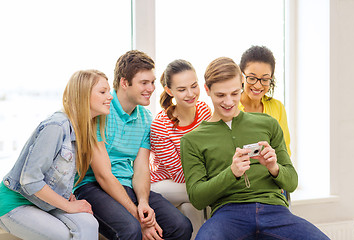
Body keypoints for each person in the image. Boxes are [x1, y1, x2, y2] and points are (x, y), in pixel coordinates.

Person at [180, 57, 330, 240]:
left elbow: (291, 182)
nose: (228, 102)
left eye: (235, 93)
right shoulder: (192, 140)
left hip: (275, 211)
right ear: (207, 90)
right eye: (221, 95)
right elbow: (197, 198)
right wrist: (232, 173)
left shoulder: (268, 124)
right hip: (228, 215)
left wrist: (274, 168)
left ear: (242, 85)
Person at [74, 50, 192, 240]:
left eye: (152, 82)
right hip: (92, 187)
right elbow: (103, 175)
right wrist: (136, 214)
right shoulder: (100, 108)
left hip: (127, 184)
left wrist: (143, 203)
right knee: (131, 229)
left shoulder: (145, 119)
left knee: (180, 226)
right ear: (124, 82)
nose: (151, 88)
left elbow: (141, 168)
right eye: (144, 83)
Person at [0, 69, 113, 240]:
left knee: (90, 223)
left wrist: (67, 196)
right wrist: (69, 207)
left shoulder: (81, 130)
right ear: (83, 95)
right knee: (63, 236)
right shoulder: (56, 126)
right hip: (15, 204)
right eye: (103, 92)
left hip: (43, 203)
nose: (110, 96)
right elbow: (30, 180)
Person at [150, 59, 211, 238]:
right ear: (169, 91)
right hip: (164, 184)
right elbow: (179, 174)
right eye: (182, 89)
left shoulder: (204, 110)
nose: (191, 94)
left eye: (194, 86)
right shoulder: (161, 125)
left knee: (191, 208)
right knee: (209, 192)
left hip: (194, 181)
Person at [239, 45, 291, 155]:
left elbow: (284, 151)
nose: (258, 85)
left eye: (265, 79)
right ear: (241, 76)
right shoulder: (231, 107)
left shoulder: (277, 107)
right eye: (252, 78)